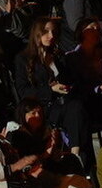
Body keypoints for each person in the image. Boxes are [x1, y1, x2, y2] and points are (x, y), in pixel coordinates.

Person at [14, 17, 88, 157]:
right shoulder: (23, 58)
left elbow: (70, 79)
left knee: (77, 107)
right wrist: (50, 90)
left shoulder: (58, 56)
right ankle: (76, 154)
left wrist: (63, 82)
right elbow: (23, 91)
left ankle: (76, 153)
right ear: (37, 33)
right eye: (46, 31)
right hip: (43, 107)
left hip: (65, 103)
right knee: (75, 110)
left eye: (53, 32)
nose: (51, 35)